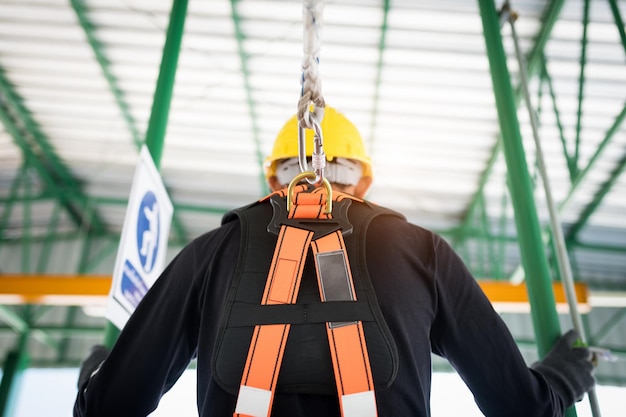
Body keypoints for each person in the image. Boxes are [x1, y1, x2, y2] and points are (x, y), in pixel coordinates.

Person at [74, 106, 595, 417]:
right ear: (363, 180)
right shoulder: (422, 252)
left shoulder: (208, 256)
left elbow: (110, 409)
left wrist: (96, 371)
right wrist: (565, 375)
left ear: (273, 179)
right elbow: (521, 408)